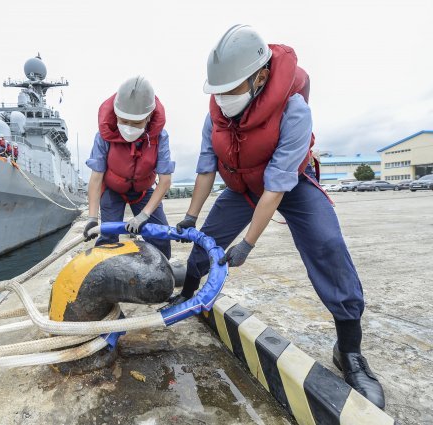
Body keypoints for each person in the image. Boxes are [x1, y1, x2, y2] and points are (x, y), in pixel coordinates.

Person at [165, 25, 385, 408]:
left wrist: (248, 243)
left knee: (327, 244)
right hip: (241, 186)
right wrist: (190, 216)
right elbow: (205, 168)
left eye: (232, 88)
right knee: (208, 239)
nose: (222, 98)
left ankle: (349, 351)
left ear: (261, 77)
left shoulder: (294, 111)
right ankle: (187, 294)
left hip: (291, 185)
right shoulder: (215, 115)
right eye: (217, 90)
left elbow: (278, 183)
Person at [83, 76, 175, 259]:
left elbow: (165, 181)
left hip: (142, 191)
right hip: (112, 191)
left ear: (148, 117)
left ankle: (161, 270)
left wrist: (144, 215)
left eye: (136, 123)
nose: (129, 127)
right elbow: (96, 178)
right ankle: (105, 270)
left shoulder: (160, 138)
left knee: (160, 235)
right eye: (124, 121)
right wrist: (92, 218)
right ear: (116, 113)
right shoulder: (103, 136)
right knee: (108, 236)